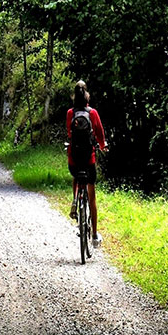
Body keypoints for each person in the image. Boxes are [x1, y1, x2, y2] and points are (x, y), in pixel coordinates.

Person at [66, 80, 106, 246]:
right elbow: (100, 135)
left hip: (74, 158)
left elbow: (69, 133)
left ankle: (75, 200)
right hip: (89, 159)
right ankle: (95, 236)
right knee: (92, 197)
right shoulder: (93, 113)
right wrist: (102, 146)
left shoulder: (70, 113)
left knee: (76, 174)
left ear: (74, 96)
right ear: (87, 95)